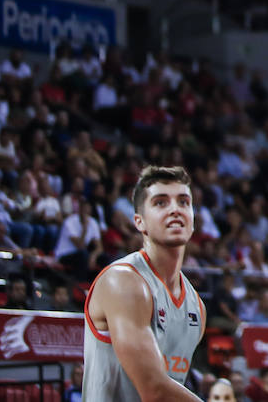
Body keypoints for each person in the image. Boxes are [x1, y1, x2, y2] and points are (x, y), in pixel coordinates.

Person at [82, 165, 205, 401]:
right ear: (140, 222)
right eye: (160, 202)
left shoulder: (197, 307)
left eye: (183, 202)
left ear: (193, 220)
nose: (175, 210)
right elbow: (154, 389)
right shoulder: (123, 281)